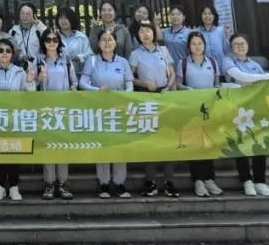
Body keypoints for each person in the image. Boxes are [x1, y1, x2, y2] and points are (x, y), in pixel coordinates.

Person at [222, 34, 269, 197]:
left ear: (248, 45)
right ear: (231, 47)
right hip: (236, 109)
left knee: (259, 143)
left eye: (243, 43)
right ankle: (246, 181)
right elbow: (240, 77)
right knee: (240, 143)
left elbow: (268, 89)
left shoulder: (255, 65)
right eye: (236, 44)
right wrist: (264, 77)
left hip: (256, 109)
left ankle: (260, 181)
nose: (240, 46)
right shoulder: (228, 61)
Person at [79, 29, 134, 199]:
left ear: (116, 43)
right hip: (99, 109)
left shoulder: (123, 62)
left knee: (119, 145)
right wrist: (97, 90)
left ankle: (119, 183)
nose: (107, 42)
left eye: (110, 39)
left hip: (119, 110)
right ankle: (103, 183)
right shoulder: (92, 60)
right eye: (103, 39)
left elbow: (130, 85)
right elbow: (82, 83)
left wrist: (123, 96)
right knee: (102, 145)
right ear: (98, 43)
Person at [130, 19, 179, 198]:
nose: (145, 34)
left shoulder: (163, 50)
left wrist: (169, 86)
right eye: (141, 32)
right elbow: (130, 77)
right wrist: (145, 83)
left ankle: (169, 181)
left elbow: (172, 73)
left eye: (148, 30)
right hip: (146, 98)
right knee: (150, 140)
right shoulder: (135, 54)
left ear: (154, 32)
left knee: (167, 139)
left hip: (165, 97)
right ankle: (150, 181)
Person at [0, 37, 35, 201]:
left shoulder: (20, 72)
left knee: (13, 152)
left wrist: (30, 82)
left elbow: (29, 95)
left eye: (8, 50)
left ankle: (14, 186)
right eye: (0, 50)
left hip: (14, 118)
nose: (4, 53)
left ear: (12, 54)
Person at [176, 31, 223, 198]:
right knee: (195, 145)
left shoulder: (212, 62)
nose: (197, 47)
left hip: (209, 109)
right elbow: (178, 84)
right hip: (192, 109)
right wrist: (189, 90)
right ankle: (198, 181)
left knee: (209, 144)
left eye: (200, 43)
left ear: (204, 45)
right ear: (189, 46)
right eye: (194, 44)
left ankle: (210, 179)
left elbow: (217, 83)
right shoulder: (183, 63)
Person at [35, 28, 77, 200]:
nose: (51, 42)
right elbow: (32, 85)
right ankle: (49, 183)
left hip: (63, 109)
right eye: (48, 39)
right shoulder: (38, 60)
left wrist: (72, 90)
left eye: (55, 39)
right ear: (43, 42)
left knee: (62, 146)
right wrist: (40, 76)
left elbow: (74, 82)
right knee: (48, 147)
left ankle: (63, 182)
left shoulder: (66, 60)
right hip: (45, 109)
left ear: (59, 42)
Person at [56, 7, 92, 75]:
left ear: (72, 20)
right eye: (61, 18)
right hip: (59, 76)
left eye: (66, 18)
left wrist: (79, 57)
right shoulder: (53, 37)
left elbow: (90, 55)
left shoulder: (81, 37)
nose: (63, 21)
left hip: (79, 75)